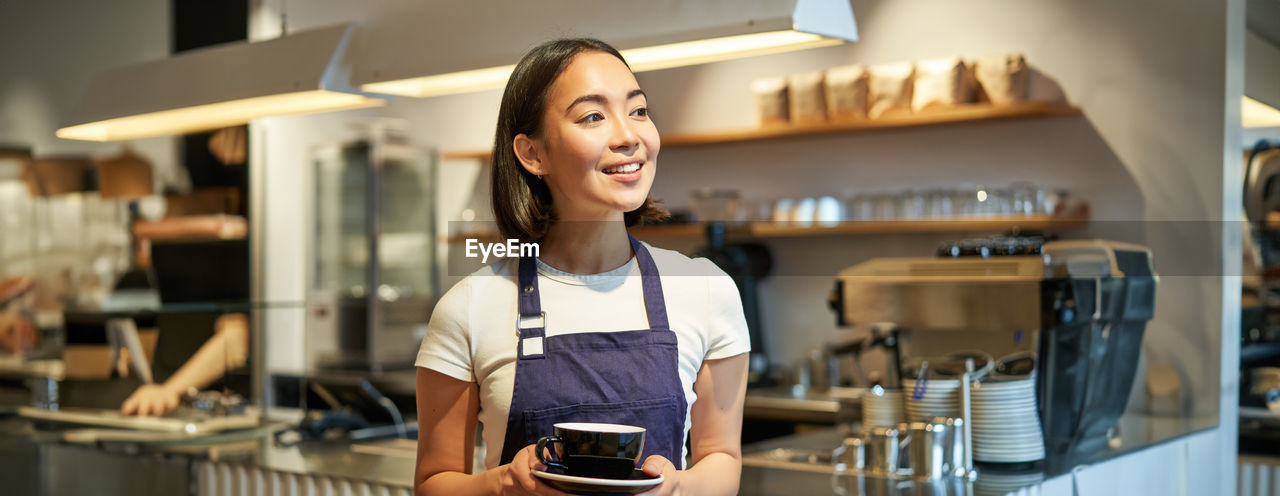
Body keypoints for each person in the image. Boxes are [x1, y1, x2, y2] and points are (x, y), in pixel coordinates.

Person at [413, 39, 750, 496]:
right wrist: (502, 486)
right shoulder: (469, 306)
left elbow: (722, 461)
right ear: (533, 154)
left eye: (638, 110)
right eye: (592, 116)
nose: (628, 135)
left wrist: (676, 489)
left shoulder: (707, 289)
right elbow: (434, 483)